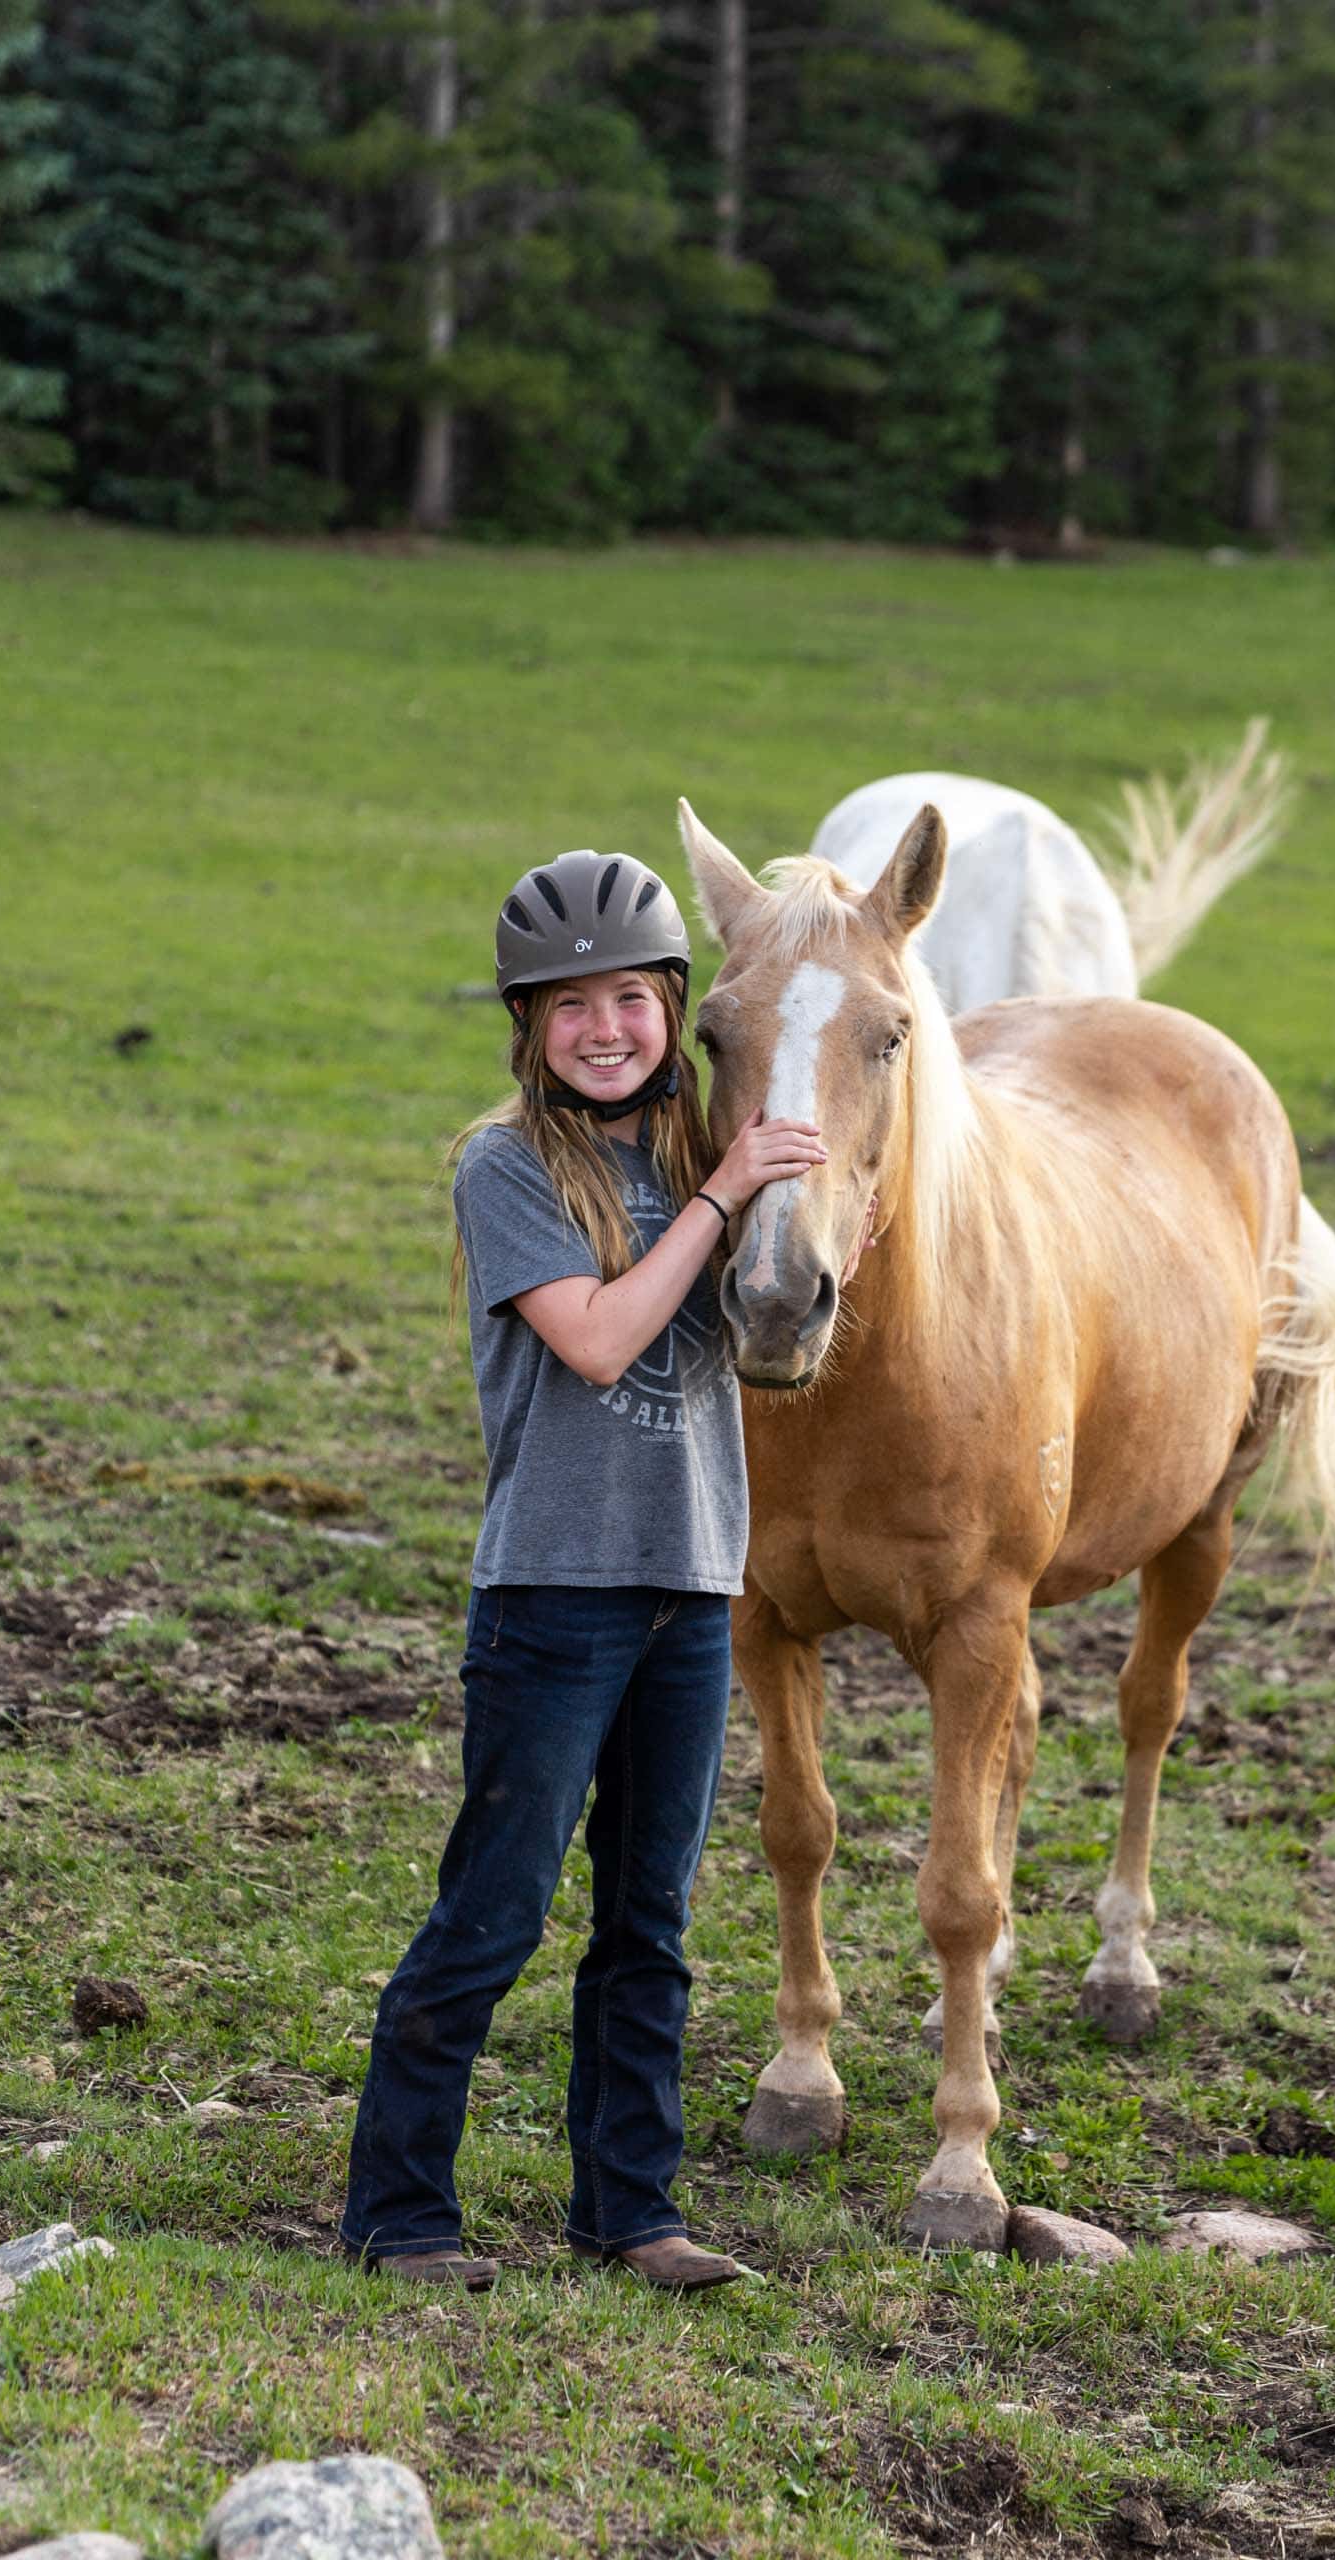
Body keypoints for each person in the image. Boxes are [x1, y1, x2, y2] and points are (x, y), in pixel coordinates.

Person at [340, 848, 826, 2294]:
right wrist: (723, 1196)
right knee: (492, 1909)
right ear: (526, 1027)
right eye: (568, 1008)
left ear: (674, 1008)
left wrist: (753, 1182)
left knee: (650, 1923)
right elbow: (601, 1341)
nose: (603, 1029)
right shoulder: (505, 1167)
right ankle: (399, 2216)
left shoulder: (695, 1147)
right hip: (552, 1597)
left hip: (690, 1588)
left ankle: (631, 2211)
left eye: (629, 998)